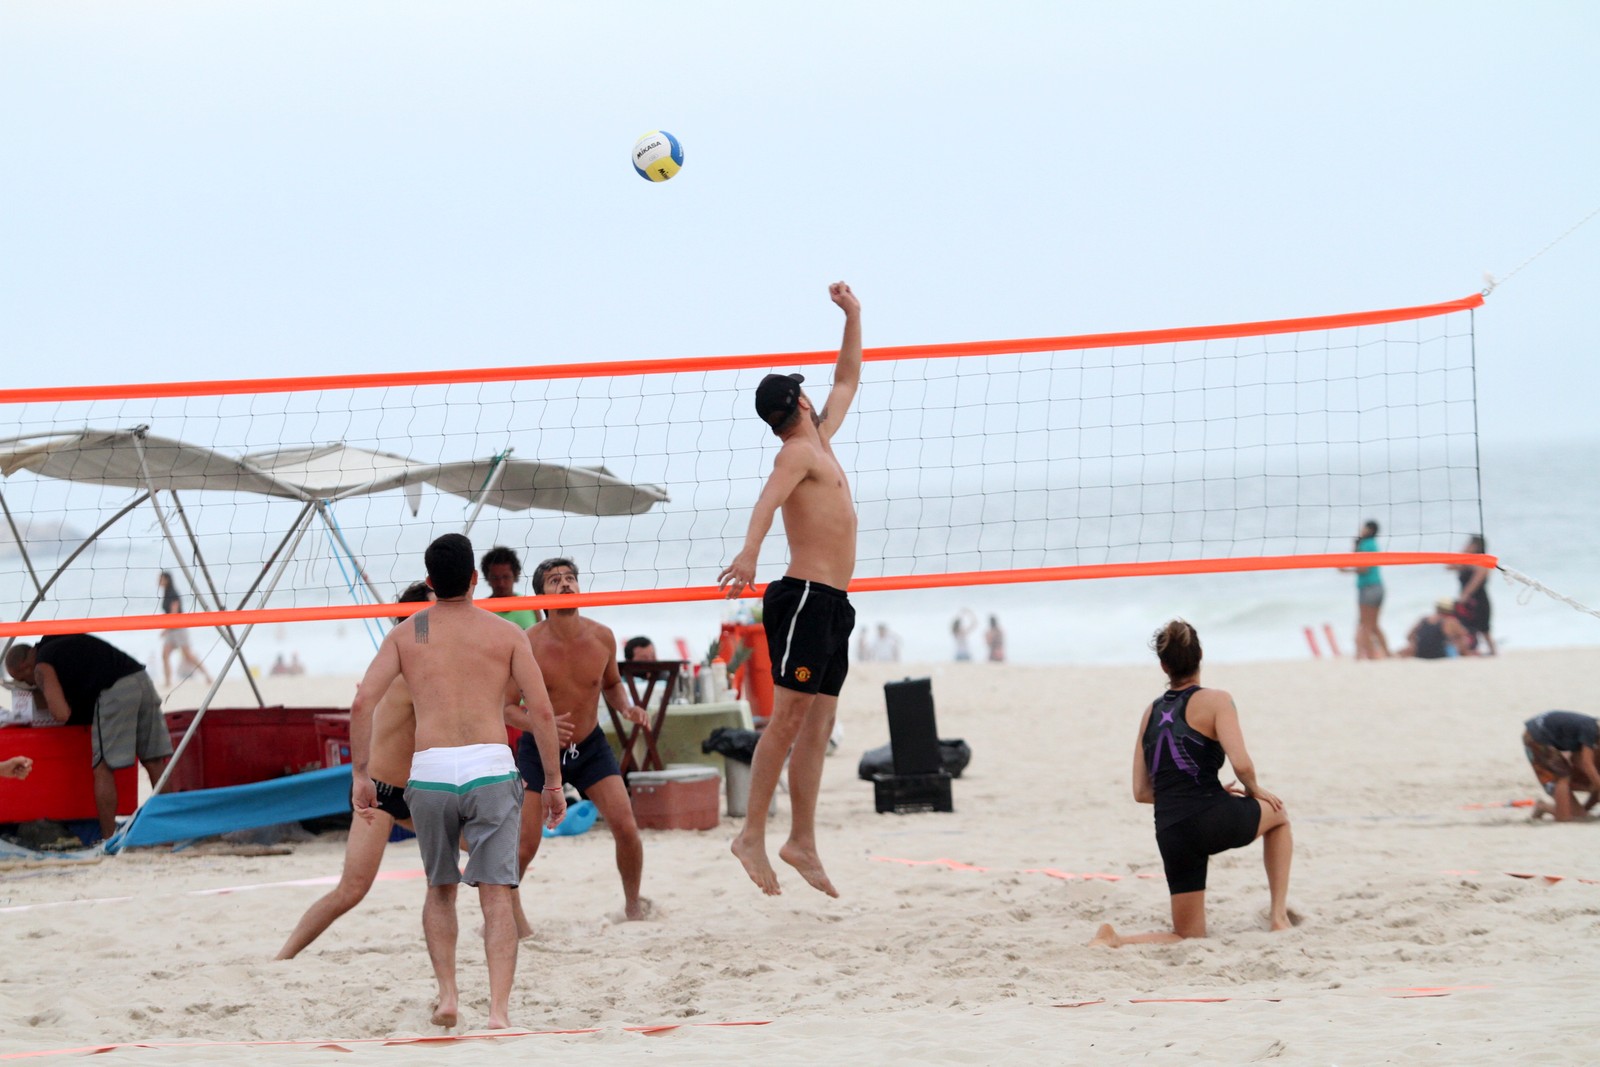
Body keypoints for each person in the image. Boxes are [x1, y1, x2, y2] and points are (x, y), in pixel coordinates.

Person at [348, 534, 565, 1031]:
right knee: (495, 892)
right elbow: (543, 711)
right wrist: (552, 782)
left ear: (429, 582)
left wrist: (362, 774)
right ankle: (497, 1012)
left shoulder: (407, 633)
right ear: (474, 579)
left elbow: (363, 703)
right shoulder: (507, 633)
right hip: (489, 767)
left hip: (429, 772)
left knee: (440, 888)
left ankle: (448, 996)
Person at [718, 280, 861, 898]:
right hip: (802, 596)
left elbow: (848, 377)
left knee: (818, 720)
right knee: (788, 717)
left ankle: (801, 839)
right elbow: (767, 503)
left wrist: (853, 315)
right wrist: (750, 552)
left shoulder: (818, 440)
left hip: (832, 604)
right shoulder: (796, 456)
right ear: (797, 402)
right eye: (805, 389)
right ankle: (752, 832)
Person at [1091, 619, 1293, 947]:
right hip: (1211, 817)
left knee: (1186, 935)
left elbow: (1141, 792)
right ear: (1200, 655)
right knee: (1279, 816)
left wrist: (1200, 793)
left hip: (1171, 830)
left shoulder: (1151, 711)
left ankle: (1115, 939)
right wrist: (1256, 791)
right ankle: (1278, 917)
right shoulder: (1217, 700)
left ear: (1163, 665)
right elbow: (1241, 763)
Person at [278, 583, 441, 959]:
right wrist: (359, 774)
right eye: (427, 613)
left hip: (421, 792)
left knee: (493, 860)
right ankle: (284, 955)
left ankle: (519, 930)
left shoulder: (430, 658)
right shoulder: (404, 660)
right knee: (352, 889)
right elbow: (361, 707)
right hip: (381, 793)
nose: (434, 619)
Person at [508, 557, 651, 928]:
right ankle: (504, 912)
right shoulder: (526, 644)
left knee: (626, 827)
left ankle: (633, 905)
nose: (566, 584)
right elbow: (504, 708)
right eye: (555, 581)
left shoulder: (601, 636)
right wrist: (542, 724)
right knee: (525, 846)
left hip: (589, 746)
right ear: (540, 597)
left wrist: (628, 709)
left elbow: (611, 685)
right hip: (538, 752)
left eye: (570, 578)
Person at [4, 635, 172, 840]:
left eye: (22, 680)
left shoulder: (41, 667)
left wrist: (42, 696)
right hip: (141, 678)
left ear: (25, 666)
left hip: (115, 691)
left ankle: (108, 837)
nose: (26, 683)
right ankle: (169, 832)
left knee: (102, 767)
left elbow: (61, 713)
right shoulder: (55, 641)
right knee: (155, 761)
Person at [1522, 710, 1600, 822]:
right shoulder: (1590, 730)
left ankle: (1543, 807)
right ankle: (1561, 816)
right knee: (1563, 776)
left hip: (1538, 733)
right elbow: (1587, 764)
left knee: (1580, 816)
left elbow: (1579, 761)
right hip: (1538, 735)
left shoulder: (1586, 734)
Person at [156, 571, 213, 687]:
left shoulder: (173, 593)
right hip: (172, 630)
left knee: (188, 655)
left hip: (179, 629)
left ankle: (207, 675)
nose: (158, 581)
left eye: (160, 579)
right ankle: (168, 682)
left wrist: (165, 629)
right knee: (165, 654)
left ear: (167, 580)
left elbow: (174, 613)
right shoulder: (166, 593)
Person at [1342, 521, 1389, 660]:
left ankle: (1370, 657)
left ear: (1369, 529)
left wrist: (1346, 570)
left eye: (1363, 527)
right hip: (1378, 587)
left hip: (1368, 588)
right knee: (1373, 625)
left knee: (1365, 625)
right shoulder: (1372, 543)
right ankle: (1388, 654)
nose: (1360, 529)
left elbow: (1363, 568)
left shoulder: (1366, 544)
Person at [1454, 535, 1495, 655]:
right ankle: (1472, 651)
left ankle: (1493, 652)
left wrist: (1464, 597)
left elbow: (1475, 583)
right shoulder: (1467, 562)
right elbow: (1449, 566)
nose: (1467, 546)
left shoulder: (1482, 563)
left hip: (1479, 600)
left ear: (1476, 546)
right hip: (1467, 600)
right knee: (1467, 628)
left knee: (1484, 629)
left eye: (1470, 544)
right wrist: (1464, 554)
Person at [479, 546, 538, 630]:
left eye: (506, 577)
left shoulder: (532, 606)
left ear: (515, 575)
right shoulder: (481, 610)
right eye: (495, 578)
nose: (501, 583)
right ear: (487, 578)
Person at [1398, 599, 1475, 659]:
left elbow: (1408, 636)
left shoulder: (1424, 619)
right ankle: (1467, 654)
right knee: (1460, 639)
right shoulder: (1450, 621)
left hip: (1420, 654)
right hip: (1440, 654)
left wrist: (1416, 644)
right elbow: (1465, 634)